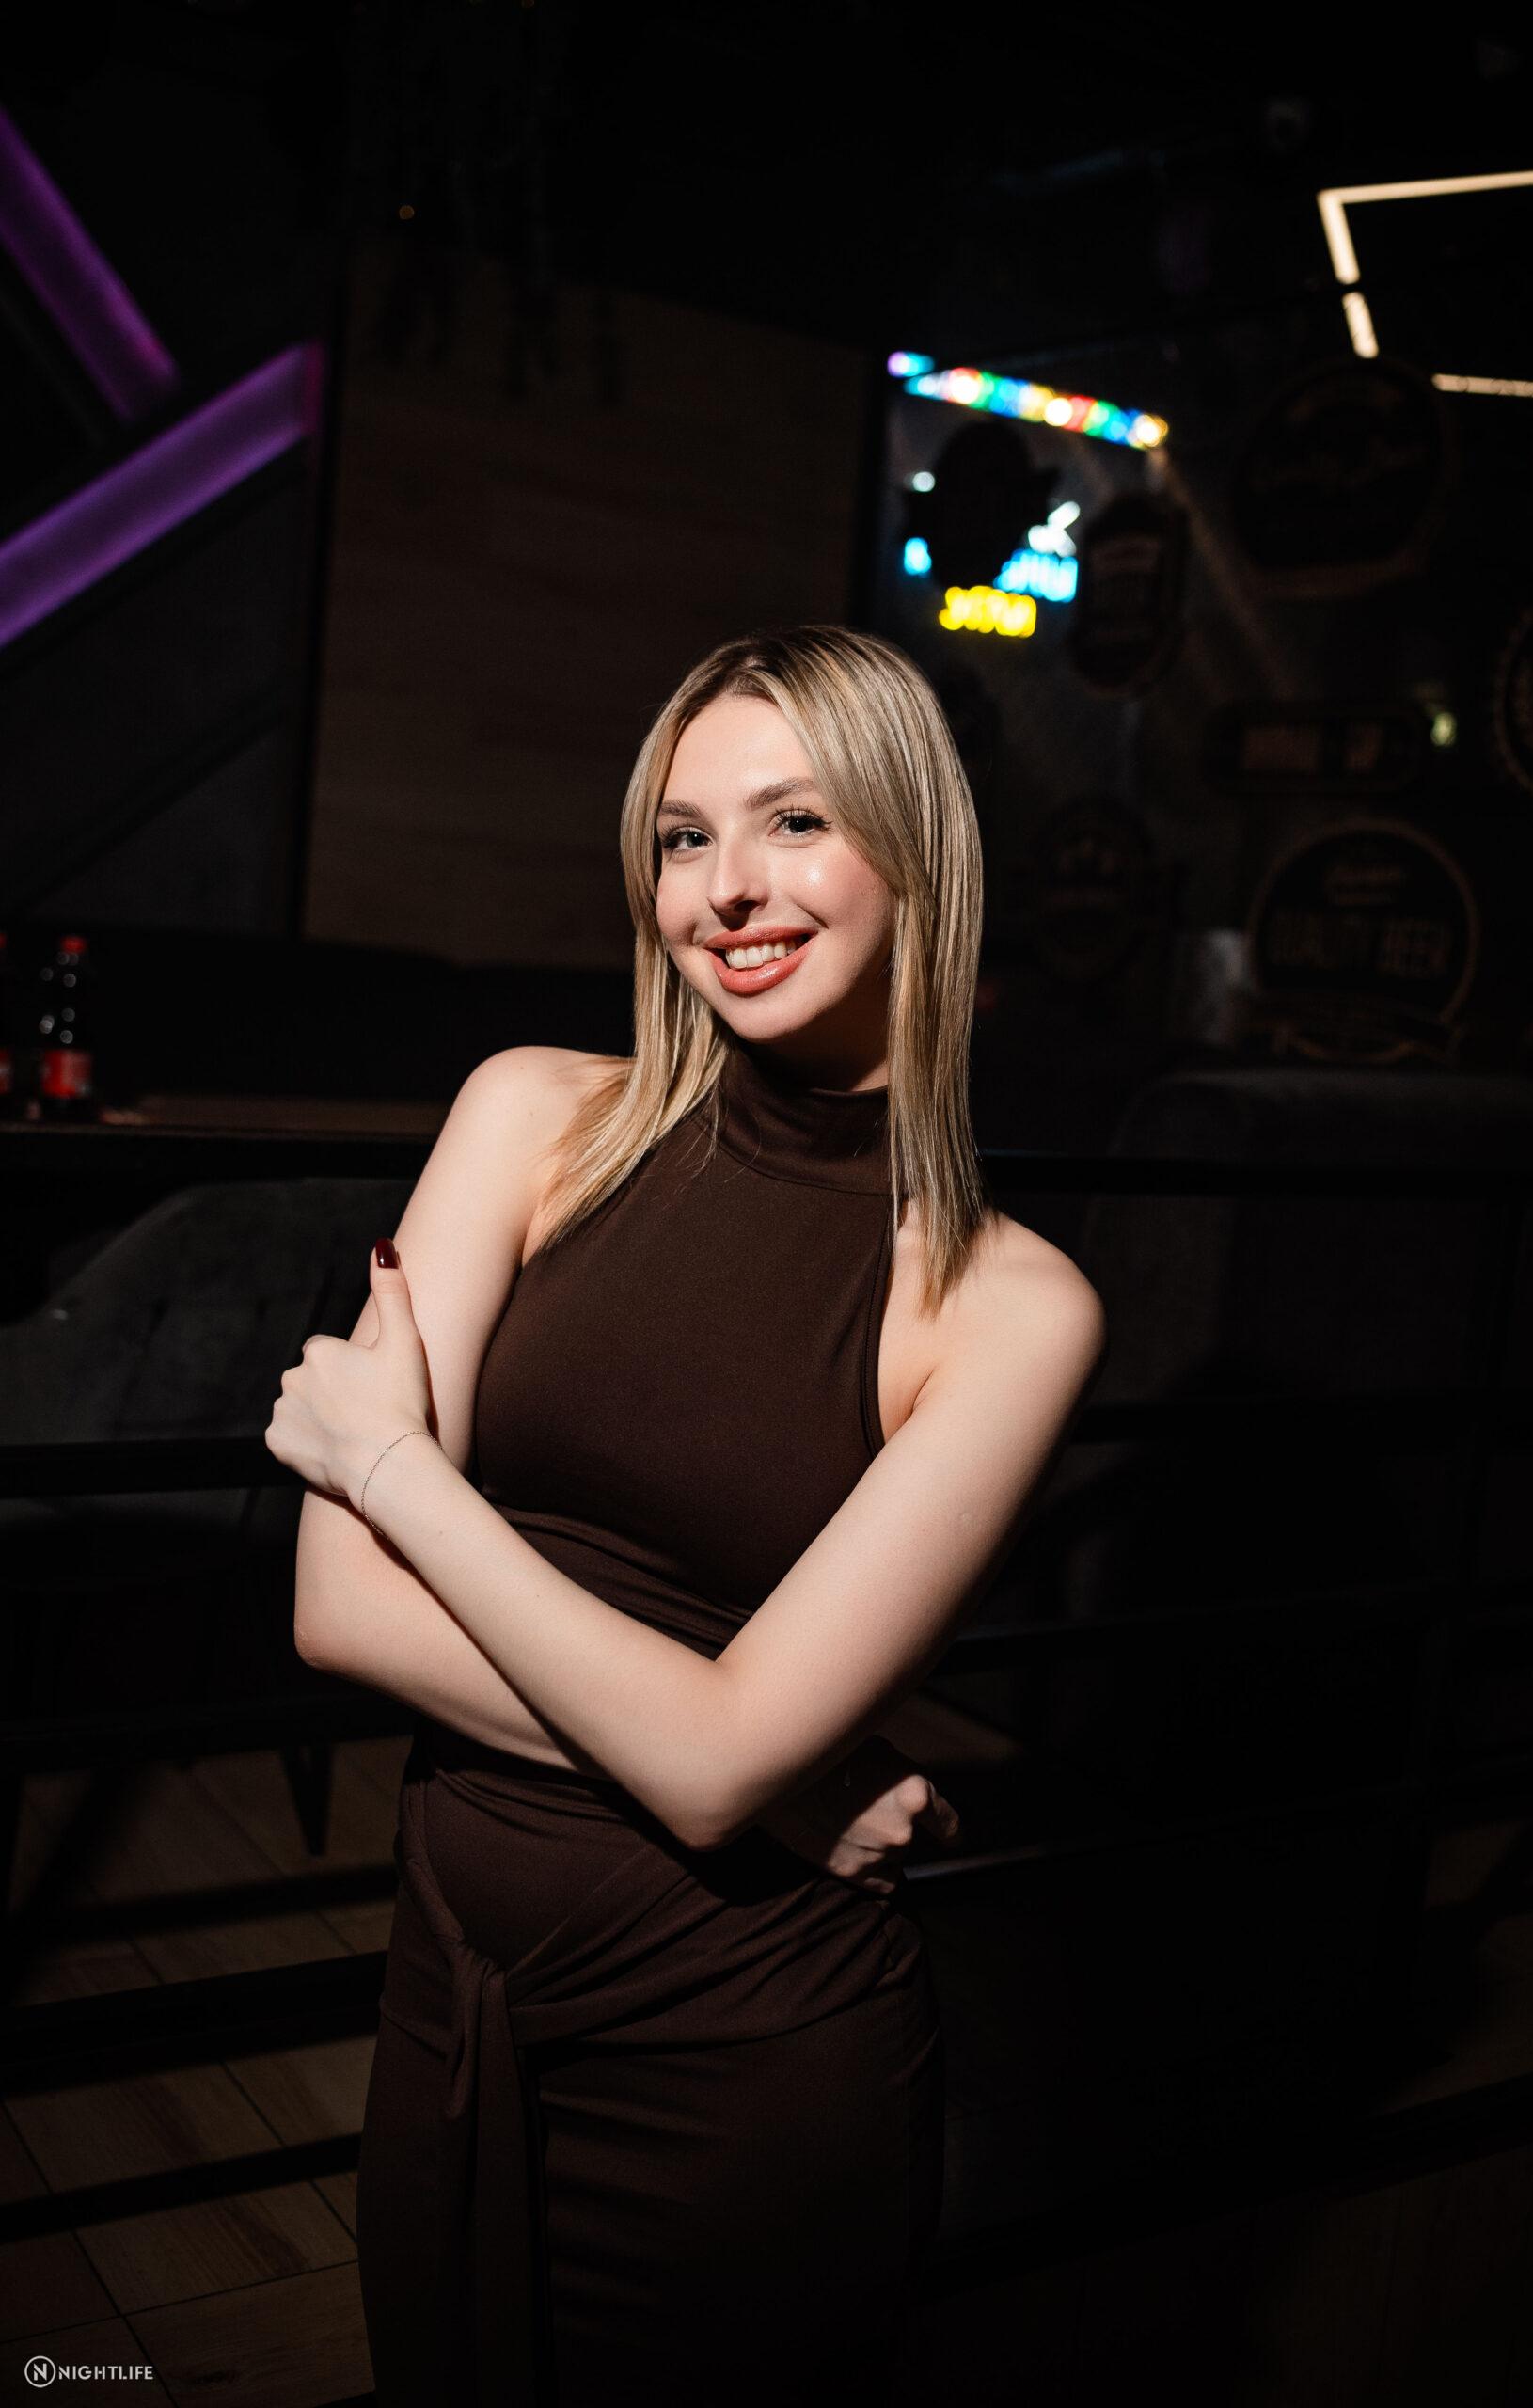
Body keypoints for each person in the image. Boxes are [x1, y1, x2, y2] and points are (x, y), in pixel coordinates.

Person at [267, 624, 1106, 2404]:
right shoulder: (530, 1117)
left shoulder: (1006, 1307)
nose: (726, 889)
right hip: (455, 1989)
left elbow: (709, 1766)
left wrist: (390, 1463)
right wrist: (766, 1774)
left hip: (743, 2065)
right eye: (682, 836)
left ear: (914, 853)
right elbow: (337, 1608)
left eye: (795, 821)